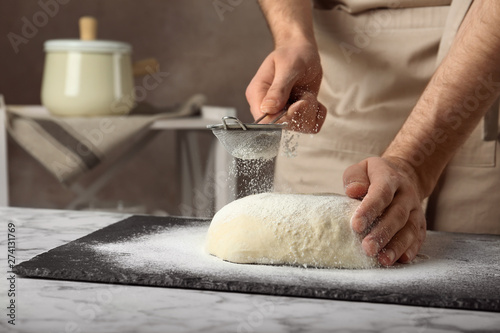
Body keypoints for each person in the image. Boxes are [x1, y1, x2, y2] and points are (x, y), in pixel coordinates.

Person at [246, 0, 500, 266]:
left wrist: (413, 164)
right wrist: (292, 36)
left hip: (479, 69)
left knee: (462, 277)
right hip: (342, 68)